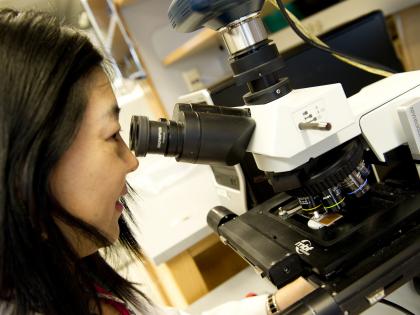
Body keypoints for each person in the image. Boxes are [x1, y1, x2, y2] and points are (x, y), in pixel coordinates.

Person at [0, 8, 315, 315]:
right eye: (111, 136)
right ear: (28, 170)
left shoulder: (71, 274)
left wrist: (275, 305)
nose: (131, 161)